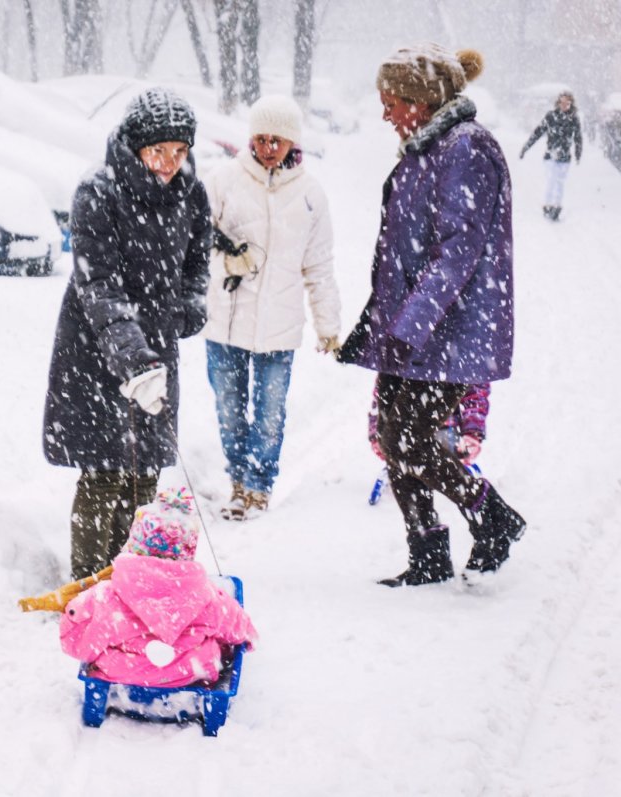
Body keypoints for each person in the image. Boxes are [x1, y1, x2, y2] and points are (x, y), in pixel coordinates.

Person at [338, 43, 526, 586]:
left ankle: (493, 517)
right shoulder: (427, 147)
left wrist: (410, 326)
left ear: (421, 100)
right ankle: (427, 552)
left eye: (392, 101)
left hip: (449, 331)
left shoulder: (465, 149)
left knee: (414, 440)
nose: (385, 113)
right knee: (395, 440)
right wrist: (389, 323)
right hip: (414, 329)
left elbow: (458, 250)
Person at [42, 87, 212, 581]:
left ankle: (129, 582)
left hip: (155, 342)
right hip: (97, 347)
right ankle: (90, 588)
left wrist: (190, 304)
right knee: (104, 471)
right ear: (134, 145)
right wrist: (132, 358)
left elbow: (198, 257)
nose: (169, 163)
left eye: (179, 152)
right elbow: (99, 286)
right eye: (158, 151)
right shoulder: (99, 191)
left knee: (145, 474)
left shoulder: (190, 190)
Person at [202, 94, 341, 521]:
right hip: (225, 322)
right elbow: (194, 240)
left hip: (279, 327)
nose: (267, 147)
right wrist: (225, 259)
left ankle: (258, 486)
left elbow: (318, 264)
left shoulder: (310, 195)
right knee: (229, 411)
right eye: (260, 138)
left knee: (269, 414)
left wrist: (328, 325)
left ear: (292, 143)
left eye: (276, 140)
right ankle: (237, 481)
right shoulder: (223, 180)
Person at [59, 488, 257, 688]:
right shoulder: (207, 595)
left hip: (123, 673)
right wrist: (242, 641)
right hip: (190, 673)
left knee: (102, 642)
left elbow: (76, 643)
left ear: (135, 544)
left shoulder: (106, 595)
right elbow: (239, 627)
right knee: (212, 644)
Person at [369, 382, 490, 466]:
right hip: (405, 426)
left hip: (446, 429)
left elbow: (475, 396)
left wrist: (472, 432)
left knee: (442, 447)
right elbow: (382, 397)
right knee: (399, 445)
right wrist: (378, 433)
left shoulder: (462, 356)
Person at [519, 91, 583, 221]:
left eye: (567, 103)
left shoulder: (573, 118)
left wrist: (578, 153)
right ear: (558, 103)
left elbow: (578, 138)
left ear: (571, 104)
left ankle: (557, 207)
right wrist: (525, 148)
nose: (564, 105)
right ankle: (548, 206)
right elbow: (537, 133)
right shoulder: (551, 116)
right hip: (550, 156)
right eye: (562, 102)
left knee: (560, 182)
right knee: (551, 180)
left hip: (565, 157)